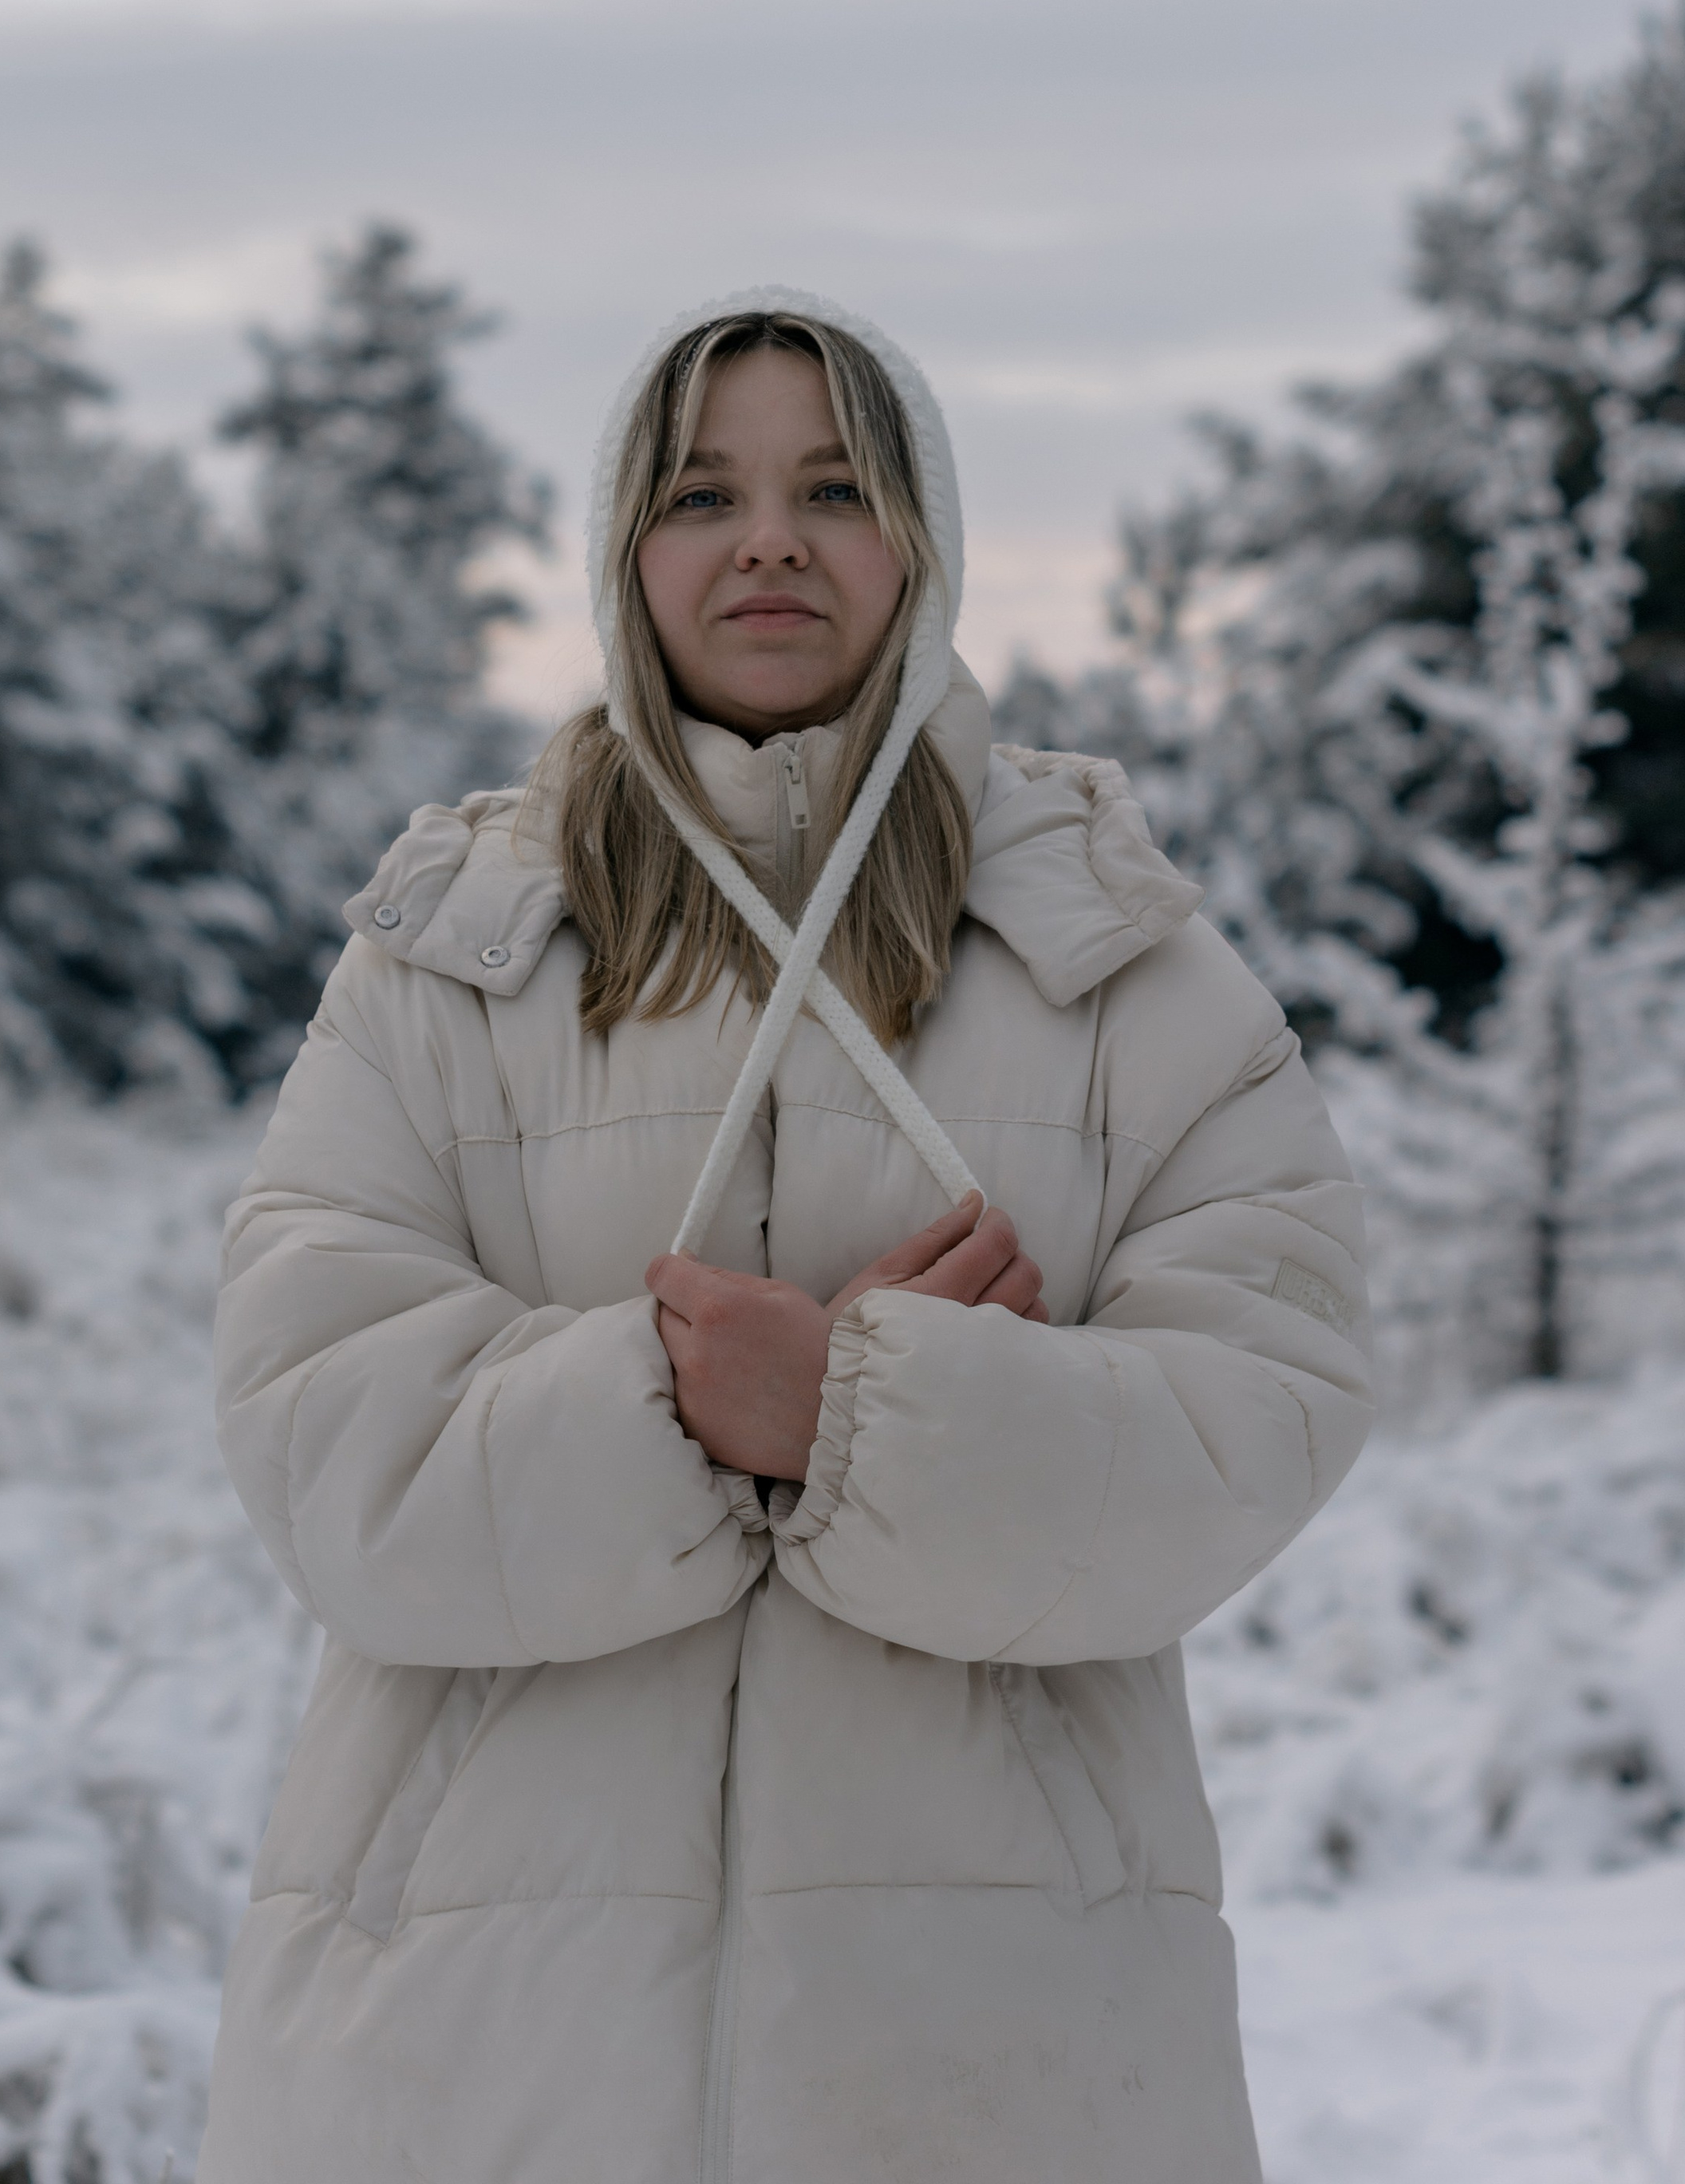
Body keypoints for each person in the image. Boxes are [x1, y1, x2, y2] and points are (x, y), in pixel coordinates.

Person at [199, 287, 1374, 2184]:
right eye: (699, 494)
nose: (767, 538)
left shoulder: (1118, 968)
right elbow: (314, 1423)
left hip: (994, 2048)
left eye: (832, 485)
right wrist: (674, 1407)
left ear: (919, 539)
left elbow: (1260, 1409)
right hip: (474, 2045)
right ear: (622, 551)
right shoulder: (450, 954)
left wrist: (859, 1414)